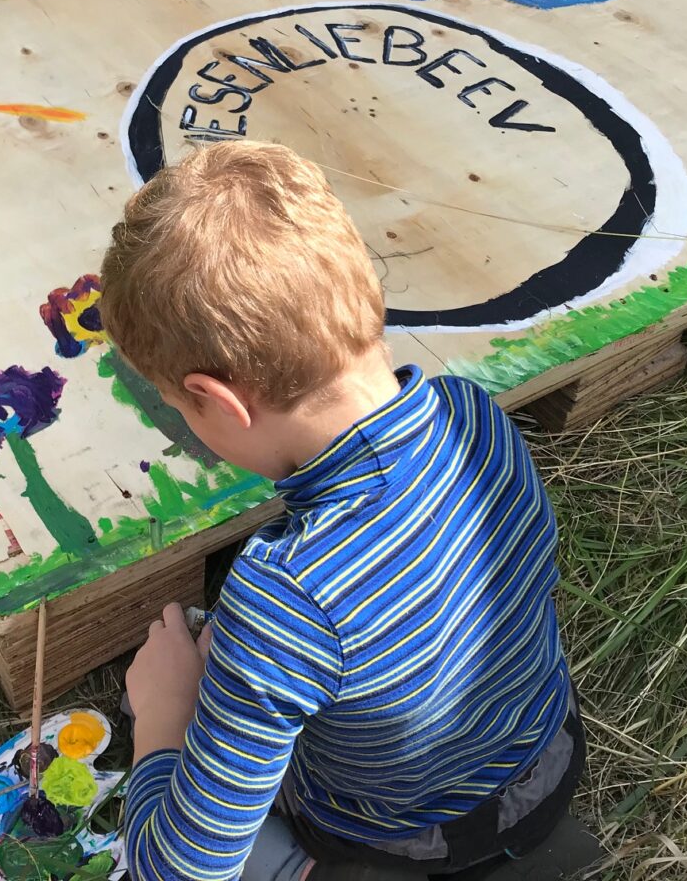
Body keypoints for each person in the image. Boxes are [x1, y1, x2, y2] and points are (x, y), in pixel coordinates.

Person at [99, 142, 584, 881]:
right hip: (549, 758)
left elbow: (179, 870)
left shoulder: (284, 595)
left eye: (179, 408)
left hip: (402, 839)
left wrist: (166, 720)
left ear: (224, 401)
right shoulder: (472, 415)